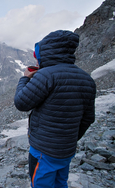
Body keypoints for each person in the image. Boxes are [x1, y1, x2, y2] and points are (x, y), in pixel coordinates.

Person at [14, 30, 96, 188]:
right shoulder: (87, 79)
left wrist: (25, 78)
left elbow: (21, 103)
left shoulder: (46, 75)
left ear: (46, 52)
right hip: (66, 150)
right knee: (60, 183)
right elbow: (88, 118)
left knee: (41, 184)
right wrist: (69, 139)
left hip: (43, 151)